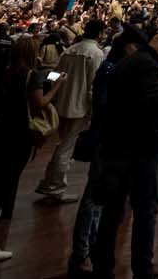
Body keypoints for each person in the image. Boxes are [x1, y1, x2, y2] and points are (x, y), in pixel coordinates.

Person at [0, 35, 62, 267]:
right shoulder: (31, 75)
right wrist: (56, 86)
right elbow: (38, 103)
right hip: (16, 138)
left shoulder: (4, 72)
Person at [88, 30, 158, 279]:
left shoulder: (127, 62)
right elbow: (153, 104)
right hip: (139, 150)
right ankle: (142, 270)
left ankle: (102, 267)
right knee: (145, 211)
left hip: (116, 146)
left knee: (112, 211)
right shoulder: (148, 66)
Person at [35, 19, 105, 202]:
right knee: (66, 149)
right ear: (99, 34)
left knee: (62, 146)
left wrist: (53, 93)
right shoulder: (95, 54)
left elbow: (53, 75)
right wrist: (94, 109)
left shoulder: (70, 50)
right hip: (79, 107)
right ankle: (55, 188)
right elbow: (93, 85)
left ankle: (48, 183)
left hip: (61, 104)